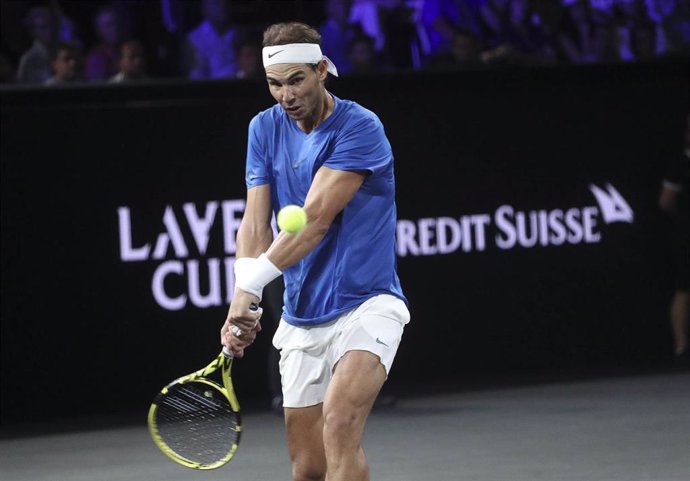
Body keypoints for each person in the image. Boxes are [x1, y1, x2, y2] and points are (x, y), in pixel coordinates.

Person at [220, 21, 410, 481]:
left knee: (341, 422)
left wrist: (249, 285)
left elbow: (315, 221)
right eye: (274, 83)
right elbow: (254, 223)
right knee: (308, 468)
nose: (286, 95)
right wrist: (243, 301)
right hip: (301, 315)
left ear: (322, 70)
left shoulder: (360, 127)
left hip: (368, 305)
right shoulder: (262, 129)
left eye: (297, 79)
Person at [658, 115, 690, 364]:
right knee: (684, 288)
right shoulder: (680, 164)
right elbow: (666, 201)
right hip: (685, 235)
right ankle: (681, 346)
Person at [184, 0, 238, 79]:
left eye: (224, 2)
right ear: (204, 8)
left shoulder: (239, 35)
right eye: (216, 3)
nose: (222, 6)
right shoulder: (193, 39)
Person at [85, 5, 124, 82]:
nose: (115, 28)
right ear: (99, 31)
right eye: (109, 25)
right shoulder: (96, 59)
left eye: (117, 23)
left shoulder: (125, 53)